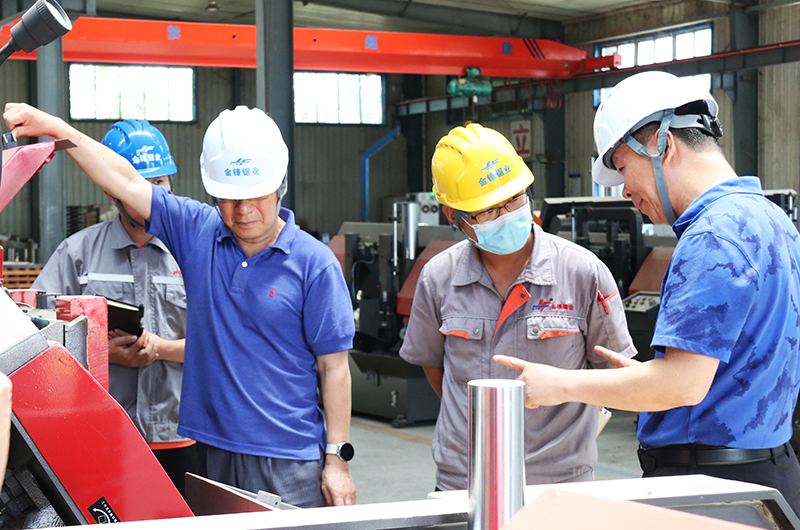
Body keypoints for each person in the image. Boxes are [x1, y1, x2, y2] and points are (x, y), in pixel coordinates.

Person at [6, 103, 357, 508]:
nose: (243, 211)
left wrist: (337, 460)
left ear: (282, 184)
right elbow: (124, 180)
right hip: (211, 451)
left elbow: (334, 368)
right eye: (229, 198)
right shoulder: (199, 232)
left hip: (289, 456)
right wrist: (55, 128)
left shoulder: (314, 264)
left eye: (256, 196)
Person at [494, 71, 800, 515]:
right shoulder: (772, 220)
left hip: (711, 488)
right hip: (767, 474)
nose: (625, 191)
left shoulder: (712, 236)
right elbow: (735, 366)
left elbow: (682, 385)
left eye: (622, 168)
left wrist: (559, 384)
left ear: (662, 144)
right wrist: (642, 378)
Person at [399, 123, 636, 491]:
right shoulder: (438, 278)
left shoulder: (582, 273)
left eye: (513, 200)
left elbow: (616, 376)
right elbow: (436, 368)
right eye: (488, 211)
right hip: (465, 480)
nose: (506, 215)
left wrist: (563, 389)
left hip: (559, 482)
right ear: (453, 215)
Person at [30, 120, 195, 496]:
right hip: (101, 430)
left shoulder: (193, 254)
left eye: (159, 182)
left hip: (179, 433)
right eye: (137, 183)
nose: (149, 194)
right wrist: (104, 354)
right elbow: (37, 336)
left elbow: (223, 344)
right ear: (111, 190)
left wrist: (161, 348)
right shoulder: (78, 254)